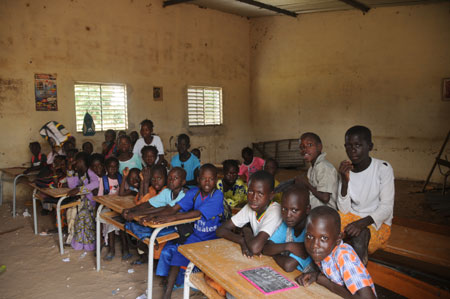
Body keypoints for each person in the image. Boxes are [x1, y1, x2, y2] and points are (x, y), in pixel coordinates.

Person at [141, 164, 223, 299]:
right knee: (178, 254)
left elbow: (197, 213)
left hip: (213, 237)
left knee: (211, 267)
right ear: (198, 179)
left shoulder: (217, 195)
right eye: (203, 178)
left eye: (211, 179)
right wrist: (155, 217)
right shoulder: (194, 193)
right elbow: (174, 208)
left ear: (216, 180)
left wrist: (171, 218)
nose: (207, 182)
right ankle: (167, 294)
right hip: (197, 235)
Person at [338, 125, 394, 264]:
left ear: (370, 146)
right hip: (352, 219)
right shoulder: (346, 170)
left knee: (359, 235)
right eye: (348, 145)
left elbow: (386, 208)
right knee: (327, 223)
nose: (352, 150)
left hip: (376, 224)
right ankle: (330, 268)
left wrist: (361, 223)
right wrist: (344, 182)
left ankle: (359, 275)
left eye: (358, 145)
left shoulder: (383, 168)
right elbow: (344, 210)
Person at [296, 206, 376, 298]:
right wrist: (316, 275)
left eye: (323, 238)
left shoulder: (344, 256)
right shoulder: (323, 252)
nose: (314, 245)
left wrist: (328, 284)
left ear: (338, 239)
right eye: (309, 236)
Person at [216, 170, 282, 257]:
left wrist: (247, 231)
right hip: (262, 256)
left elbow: (255, 248)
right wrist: (241, 241)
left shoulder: (275, 211)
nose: (254, 198)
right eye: (250, 191)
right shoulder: (251, 207)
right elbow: (220, 230)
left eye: (260, 194)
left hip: (278, 257)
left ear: (271, 195)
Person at [262, 185, 313, 273]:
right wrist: (289, 246)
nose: (288, 215)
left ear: (307, 209)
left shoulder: (312, 232)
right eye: (284, 209)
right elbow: (265, 248)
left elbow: (288, 265)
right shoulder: (287, 225)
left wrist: (275, 252)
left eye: (294, 210)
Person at [98, 157, 131, 261]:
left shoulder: (120, 178)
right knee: (111, 222)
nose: (113, 168)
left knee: (122, 225)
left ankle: (125, 249)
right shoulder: (103, 180)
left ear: (118, 167)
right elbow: (100, 197)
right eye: (110, 166)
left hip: (119, 207)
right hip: (107, 207)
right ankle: (112, 249)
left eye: (115, 166)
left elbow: (126, 191)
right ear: (106, 168)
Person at [295, 132, 338, 210]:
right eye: (302, 147)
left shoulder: (324, 167)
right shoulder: (312, 168)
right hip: (317, 208)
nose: (305, 150)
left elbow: (325, 198)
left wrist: (307, 184)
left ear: (319, 147)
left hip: (326, 212)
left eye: (309, 145)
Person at [66, 152, 99, 250]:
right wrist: (70, 170)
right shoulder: (80, 173)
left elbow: (96, 184)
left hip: (92, 203)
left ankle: (89, 245)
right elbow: (72, 186)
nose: (75, 163)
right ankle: (79, 244)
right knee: (80, 220)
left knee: (84, 218)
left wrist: (79, 190)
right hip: (83, 203)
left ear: (81, 161)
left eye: (77, 161)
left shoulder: (90, 172)